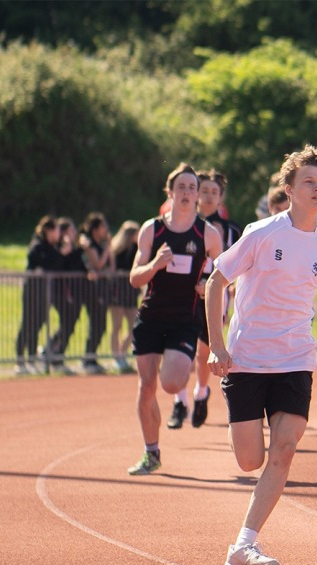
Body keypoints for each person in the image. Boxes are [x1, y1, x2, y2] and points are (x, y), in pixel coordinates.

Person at [205, 144, 317, 565]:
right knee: (250, 460)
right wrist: (217, 344)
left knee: (284, 450)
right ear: (288, 189)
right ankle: (244, 539)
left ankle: (243, 544)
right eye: (309, 182)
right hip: (248, 359)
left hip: (296, 359)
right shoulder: (261, 233)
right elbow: (217, 281)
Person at [126, 162, 223, 476]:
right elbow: (134, 278)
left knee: (169, 383)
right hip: (151, 315)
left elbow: (223, 277)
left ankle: (186, 384)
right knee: (146, 386)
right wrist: (155, 264)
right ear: (170, 192)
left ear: (197, 196)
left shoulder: (208, 233)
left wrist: (207, 288)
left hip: (185, 319)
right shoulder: (151, 229)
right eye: (181, 187)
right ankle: (151, 453)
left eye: (192, 188)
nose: (187, 193)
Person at [168, 168, 242, 430]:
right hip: (182, 296)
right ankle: (179, 401)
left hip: (214, 296)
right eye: (205, 191)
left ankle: (201, 393)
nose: (209, 196)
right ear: (198, 194)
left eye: (214, 192)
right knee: (177, 350)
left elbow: (237, 264)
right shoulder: (183, 222)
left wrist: (219, 285)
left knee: (202, 353)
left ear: (221, 198)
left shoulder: (232, 231)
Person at [15, 215, 63, 375]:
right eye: (56, 230)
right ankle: (20, 360)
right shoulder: (37, 244)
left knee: (38, 322)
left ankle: (31, 359)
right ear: (49, 230)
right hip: (32, 288)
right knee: (28, 322)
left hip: (43, 290)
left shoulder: (52, 247)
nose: (58, 233)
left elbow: (55, 265)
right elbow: (38, 263)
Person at [46, 217, 85, 374]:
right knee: (67, 320)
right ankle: (54, 352)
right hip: (60, 290)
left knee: (70, 322)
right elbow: (59, 265)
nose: (74, 232)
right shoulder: (58, 247)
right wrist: (66, 249)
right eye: (71, 229)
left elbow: (79, 263)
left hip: (74, 291)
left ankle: (55, 351)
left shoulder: (75, 248)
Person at [78, 212, 114, 374]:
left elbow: (111, 268)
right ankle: (88, 358)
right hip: (90, 289)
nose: (106, 229)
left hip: (102, 288)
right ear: (96, 228)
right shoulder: (88, 242)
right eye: (103, 226)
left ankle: (91, 357)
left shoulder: (102, 244)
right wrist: (107, 247)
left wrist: (109, 248)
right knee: (96, 323)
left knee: (101, 325)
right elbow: (98, 264)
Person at [109, 220, 141, 373]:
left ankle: (122, 353)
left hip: (131, 291)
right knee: (117, 325)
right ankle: (116, 357)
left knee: (133, 325)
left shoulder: (138, 249)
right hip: (118, 290)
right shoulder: (116, 250)